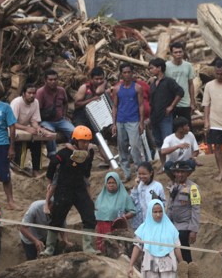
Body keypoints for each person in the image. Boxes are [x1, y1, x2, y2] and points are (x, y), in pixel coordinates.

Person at [43, 125, 98, 255]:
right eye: (83, 141)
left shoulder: (90, 153)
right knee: (57, 217)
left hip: (80, 188)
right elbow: (53, 163)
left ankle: (88, 247)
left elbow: (87, 170)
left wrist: (86, 179)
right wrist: (50, 180)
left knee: (89, 215)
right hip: (64, 188)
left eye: (87, 141)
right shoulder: (65, 153)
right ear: (75, 140)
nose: (85, 144)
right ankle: (49, 248)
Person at [110, 64, 149, 170]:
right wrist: (114, 123)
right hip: (120, 120)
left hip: (133, 120)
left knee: (135, 146)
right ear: (121, 74)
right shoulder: (117, 88)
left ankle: (138, 169)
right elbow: (115, 106)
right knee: (122, 147)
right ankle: (126, 170)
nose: (127, 75)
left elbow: (141, 105)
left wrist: (141, 122)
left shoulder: (137, 88)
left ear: (132, 73)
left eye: (128, 72)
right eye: (124, 72)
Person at [10, 83, 52, 176]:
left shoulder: (35, 102)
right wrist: (27, 128)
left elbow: (34, 121)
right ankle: (18, 168)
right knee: (22, 142)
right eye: (29, 93)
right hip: (13, 129)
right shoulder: (17, 102)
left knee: (37, 141)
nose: (32, 95)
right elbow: (12, 123)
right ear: (24, 93)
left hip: (25, 128)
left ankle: (36, 169)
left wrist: (38, 128)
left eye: (34, 93)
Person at [167, 159, 201, 264]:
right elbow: (170, 206)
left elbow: (196, 209)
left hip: (184, 226)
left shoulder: (193, 188)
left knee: (184, 254)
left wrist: (193, 230)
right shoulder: (173, 186)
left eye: (182, 172)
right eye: (177, 172)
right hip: (172, 225)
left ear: (187, 173)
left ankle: (189, 275)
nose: (179, 174)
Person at [146, 57, 183, 153]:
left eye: (152, 68)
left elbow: (180, 92)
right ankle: (164, 165)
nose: (150, 70)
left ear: (159, 68)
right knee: (158, 143)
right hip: (155, 116)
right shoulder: (153, 83)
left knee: (168, 140)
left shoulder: (168, 81)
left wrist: (171, 106)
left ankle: (172, 164)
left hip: (165, 116)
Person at [94, 171, 136, 253]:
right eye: (109, 183)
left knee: (115, 249)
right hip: (102, 226)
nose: (111, 185)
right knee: (103, 248)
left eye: (114, 182)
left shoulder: (124, 196)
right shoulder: (101, 197)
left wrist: (125, 217)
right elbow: (95, 212)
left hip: (117, 227)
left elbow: (133, 211)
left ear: (118, 183)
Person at [35, 69, 75, 152]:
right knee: (50, 135)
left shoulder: (61, 90)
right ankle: (52, 154)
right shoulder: (40, 92)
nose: (53, 82)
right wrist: (38, 124)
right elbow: (37, 109)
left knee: (74, 132)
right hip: (46, 121)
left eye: (55, 79)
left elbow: (65, 103)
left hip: (60, 120)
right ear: (45, 80)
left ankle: (70, 151)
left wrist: (64, 115)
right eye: (50, 80)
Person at [129, 162, 165, 232]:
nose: (141, 176)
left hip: (154, 219)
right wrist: (135, 187)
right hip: (140, 220)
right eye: (139, 174)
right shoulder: (139, 186)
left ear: (151, 173)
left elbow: (163, 202)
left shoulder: (157, 186)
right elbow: (132, 200)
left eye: (144, 174)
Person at [166, 42, 196, 124]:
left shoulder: (188, 66)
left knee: (186, 127)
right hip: (170, 103)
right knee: (172, 128)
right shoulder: (166, 66)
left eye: (180, 52)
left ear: (183, 52)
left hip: (185, 103)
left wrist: (192, 102)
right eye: (176, 52)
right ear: (172, 54)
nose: (178, 54)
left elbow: (191, 84)